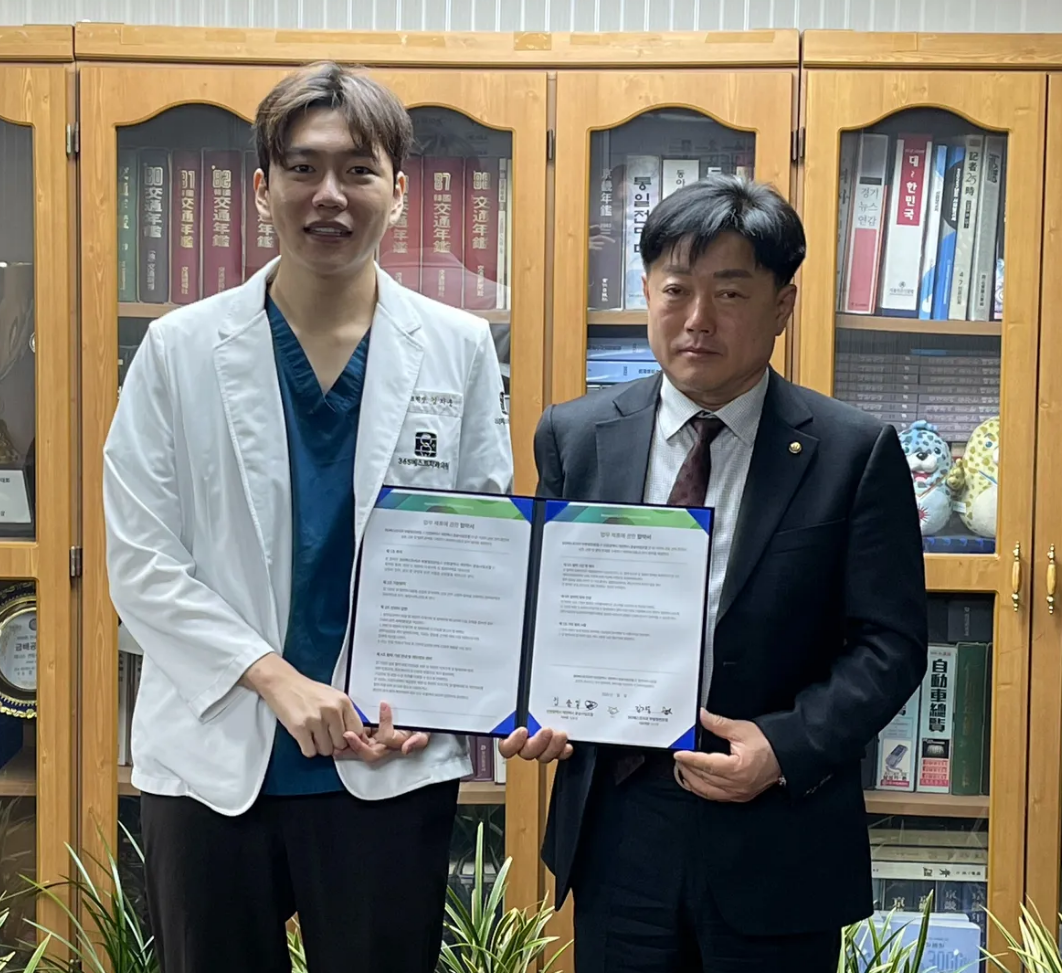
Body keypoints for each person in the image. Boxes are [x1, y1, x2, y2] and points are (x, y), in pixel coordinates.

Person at [103, 61, 513, 973]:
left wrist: (433, 699)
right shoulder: (177, 349)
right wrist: (275, 679)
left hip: (388, 755)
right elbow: (140, 563)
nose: (329, 194)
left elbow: (477, 545)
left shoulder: (458, 347)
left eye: (358, 171)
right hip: (213, 758)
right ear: (262, 188)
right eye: (303, 167)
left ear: (398, 193)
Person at [501, 173, 928, 972]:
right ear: (646, 293)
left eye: (730, 293)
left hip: (775, 830)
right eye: (676, 289)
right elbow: (547, 609)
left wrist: (784, 746)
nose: (698, 318)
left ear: (782, 306)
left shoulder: (852, 451)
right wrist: (535, 699)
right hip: (619, 825)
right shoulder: (576, 435)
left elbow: (891, 644)